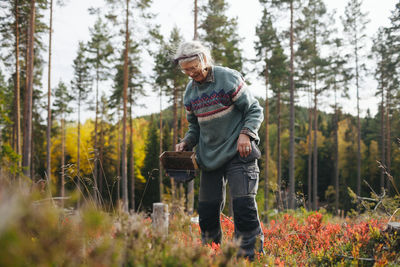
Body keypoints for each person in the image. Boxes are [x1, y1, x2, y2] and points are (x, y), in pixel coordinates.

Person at [174, 41, 264, 260]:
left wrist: (246, 134)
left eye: (193, 67)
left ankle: (249, 259)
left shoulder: (227, 78)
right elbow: (195, 126)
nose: (190, 73)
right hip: (210, 157)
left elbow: (254, 109)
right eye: (185, 70)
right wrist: (186, 142)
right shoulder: (190, 92)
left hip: (238, 152)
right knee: (207, 210)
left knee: (243, 206)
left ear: (205, 60)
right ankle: (210, 256)